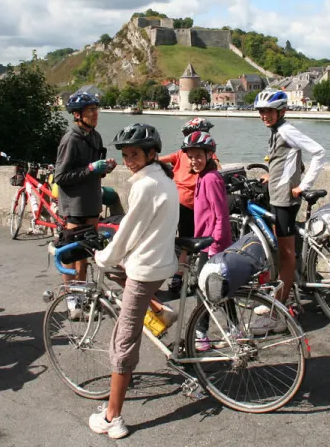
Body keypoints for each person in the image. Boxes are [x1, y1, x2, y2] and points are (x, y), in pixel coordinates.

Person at [89, 124, 179, 439]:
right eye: (126, 155)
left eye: (135, 154)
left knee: (123, 341)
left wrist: (103, 257)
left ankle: (113, 416)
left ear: (151, 153)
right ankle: (160, 312)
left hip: (145, 270)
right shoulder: (163, 179)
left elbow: (129, 230)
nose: (129, 160)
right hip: (162, 264)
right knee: (123, 280)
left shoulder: (144, 186)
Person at [254, 89, 325, 329]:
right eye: (262, 111)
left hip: (285, 199)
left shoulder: (286, 130)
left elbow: (318, 151)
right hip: (278, 194)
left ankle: (278, 313)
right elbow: (286, 160)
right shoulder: (276, 131)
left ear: (281, 111)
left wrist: (304, 185)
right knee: (284, 250)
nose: (264, 115)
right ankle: (280, 297)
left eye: (269, 111)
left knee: (285, 255)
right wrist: (270, 176)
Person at [53, 91, 117, 319]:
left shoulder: (95, 137)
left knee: (86, 253)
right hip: (74, 207)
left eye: (96, 109)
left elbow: (93, 172)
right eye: (91, 110)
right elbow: (60, 177)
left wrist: (104, 168)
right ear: (78, 115)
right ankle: (71, 300)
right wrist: (90, 169)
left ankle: (83, 297)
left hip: (92, 203)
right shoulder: (71, 139)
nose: (95, 114)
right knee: (70, 252)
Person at [180, 131, 233, 351]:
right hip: (206, 241)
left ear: (210, 154)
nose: (194, 160)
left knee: (203, 290)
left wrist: (215, 246)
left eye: (198, 156)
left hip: (212, 244)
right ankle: (234, 328)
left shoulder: (211, 179)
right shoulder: (202, 176)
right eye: (190, 157)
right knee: (221, 290)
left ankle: (201, 334)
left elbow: (221, 214)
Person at [159, 117, 219, 294]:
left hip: (175, 199)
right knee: (190, 243)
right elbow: (217, 170)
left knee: (174, 240)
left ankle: (167, 274)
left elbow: (157, 160)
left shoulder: (180, 153)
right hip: (191, 203)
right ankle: (178, 277)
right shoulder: (206, 154)